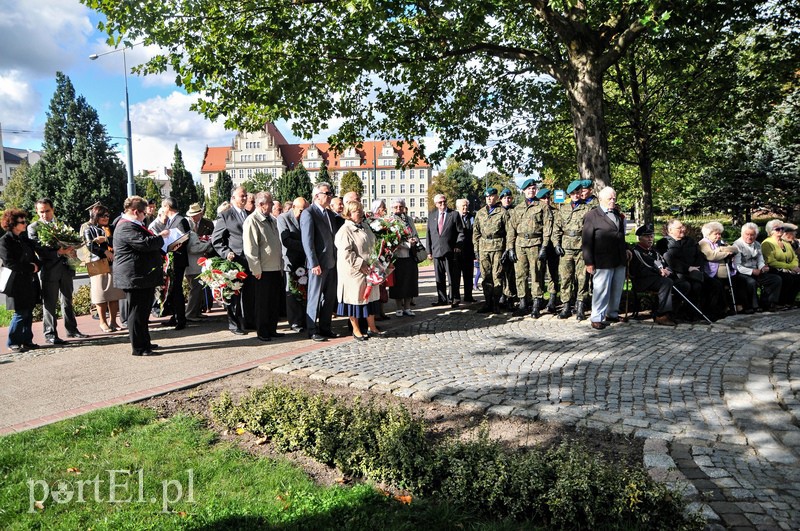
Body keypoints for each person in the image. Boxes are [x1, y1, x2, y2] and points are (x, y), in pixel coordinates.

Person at [113, 196, 170, 356]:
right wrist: (161, 237)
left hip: (140, 276)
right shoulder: (126, 226)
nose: (145, 215)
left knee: (143, 312)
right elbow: (144, 244)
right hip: (134, 277)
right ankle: (139, 348)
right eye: (144, 212)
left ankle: (145, 342)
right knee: (137, 313)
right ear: (135, 211)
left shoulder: (133, 224)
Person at [28, 198, 87, 345]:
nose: (44, 214)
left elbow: (74, 240)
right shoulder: (33, 227)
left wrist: (72, 249)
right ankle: (50, 334)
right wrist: (58, 252)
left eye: (47, 211)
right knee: (49, 303)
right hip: (49, 270)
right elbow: (39, 250)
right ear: (37, 212)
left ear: (53, 209)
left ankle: (72, 330)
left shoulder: (62, 224)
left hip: (66, 268)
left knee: (67, 300)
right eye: (41, 212)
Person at [334, 201, 385, 340]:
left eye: (361, 210)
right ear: (349, 214)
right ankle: (356, 329)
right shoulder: (345, 230)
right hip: (354, 273)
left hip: (369, 270)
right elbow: (346, 253)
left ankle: (372, 327)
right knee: (355, 301)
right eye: (357, 211)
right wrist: (361, 264)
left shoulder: (365, 227)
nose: (361, 213)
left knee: (371, 300)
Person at [582, 187, 629, 330]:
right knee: (601, 289)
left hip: (619, 258)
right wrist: (589, 261)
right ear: (601, 199)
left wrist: (627, 249)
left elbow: (620, 236)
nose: (613, 200)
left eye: (614, 198)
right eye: (610, 198)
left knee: (616, 288)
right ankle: (597, 317)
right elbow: (587, 241)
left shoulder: (618, 214)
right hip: (602, 260)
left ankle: (612, 313)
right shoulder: (592, 216)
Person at [506, 178, 551, 318]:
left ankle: (536, 304)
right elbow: (511, 229)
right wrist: (510, 248)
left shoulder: (542, 207)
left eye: (533, 188)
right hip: (520, 245)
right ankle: (523, 304)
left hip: (535, 243)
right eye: (528, 189)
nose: (531, 191)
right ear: (523, 190)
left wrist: (544, 246)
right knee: (521, 275)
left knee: (536, 274)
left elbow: (547, 228)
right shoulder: (517, 208)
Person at [301, 182, 340, 341]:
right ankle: (312, 329)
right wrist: (313, 263)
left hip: (331, 262)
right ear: (317, 196)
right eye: (327, 193)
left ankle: (325, 327)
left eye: (331, 193)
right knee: (314, 297)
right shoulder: (309, 213)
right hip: (318, 264)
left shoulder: (330, 214)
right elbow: (307, 242)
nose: (330, 195)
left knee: (329, 298)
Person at [212, 186, 253, 335]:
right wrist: (226, 252)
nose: (244, 198)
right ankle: (234, 324)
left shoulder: (249, 214)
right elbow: (216, 240)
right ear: (233, 198)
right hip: (234, 260)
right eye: (241, 196)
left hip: (249, 259)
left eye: (245, 196)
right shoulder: (225, 216)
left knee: (248, 293)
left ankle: (246, 321)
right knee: (234, 294)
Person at [243, 192, 284, 341]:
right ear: (261, 205)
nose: (272, 205)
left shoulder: (271, 220)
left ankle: (272, 328)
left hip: (274, 267)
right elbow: (250, 247)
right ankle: (263, 331)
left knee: (273, 302)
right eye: (270, 203)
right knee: (262, 303)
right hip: (263, 270)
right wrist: (256, 269)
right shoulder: (252, 221)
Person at [0, 209, 42, 352]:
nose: (25, 224)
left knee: (29, 312)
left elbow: (34, 256)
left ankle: (27, 340)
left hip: (30, 281)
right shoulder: (5, 241)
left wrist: (37, 265)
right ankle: (13, 342)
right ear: (12, 224)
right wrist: (30, 267)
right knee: (20, 313)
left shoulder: (24, 239)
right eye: (22, 222)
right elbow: (9, 263)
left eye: (25, 221)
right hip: (16, 283)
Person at [149, 197, 192, 330]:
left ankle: (180, 319)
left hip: (178, 260)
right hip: (171, 259)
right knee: (172, 289)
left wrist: (173, 245)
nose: (162, 209)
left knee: (177, 289)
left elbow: (184, 238)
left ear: (168, 207)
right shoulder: (171, 221)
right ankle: (175, 316)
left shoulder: (180, 220)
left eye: (163, 206)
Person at [661, 219, 717, 321]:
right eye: (679, 228)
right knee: (695, 286)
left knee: (715, 284)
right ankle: (691, 314)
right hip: (678, 274)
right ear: (670, 230)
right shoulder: (664, 242)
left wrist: (697, 267)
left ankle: (711, 312)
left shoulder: (690, 241)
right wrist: (688, 268)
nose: (683, 229)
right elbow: (669, 259)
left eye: (683, 227)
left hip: (695, 272)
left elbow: (699, 255)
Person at [552, 180, 593, 320]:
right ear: (569, 194)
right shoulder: (562, 209)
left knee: (582, 278)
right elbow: (556, 229)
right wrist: (556, 244)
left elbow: (591, 230)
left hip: (582, 247)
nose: (576, 195)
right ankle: (566, 306)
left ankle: (580, 306)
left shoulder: (587, 209)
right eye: (573, 193)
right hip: (566, 248)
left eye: (578, 192)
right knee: (565, 278)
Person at [84, 204, 125, 333]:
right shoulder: (89, 229)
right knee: (100, 295)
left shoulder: (111, 228)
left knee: (114, 294)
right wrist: (104, 251)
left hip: (113, 263)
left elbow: (117, 241)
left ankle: (113, 321)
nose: (105, 218)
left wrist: (106, 239)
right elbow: (90, 246)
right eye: (102, 215)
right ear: (96, 216)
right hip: (98, 264)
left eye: (107, 215)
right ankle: (103, 322)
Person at [629, 223, 679, 325]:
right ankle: (661, 315)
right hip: (642, 281)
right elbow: (639, 271)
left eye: (651, 236)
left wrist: (667, 270)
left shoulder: (654, 251)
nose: (650, 239)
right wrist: (659, 272)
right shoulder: (635, 252)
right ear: (640, 238)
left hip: (657, 279)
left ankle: (676, 313)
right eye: (647, 236)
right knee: (666, 282)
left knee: (683, 284)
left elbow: (664, 263)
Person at [473, 187, 509, 313]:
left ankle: (496, 303)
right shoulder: (480, 213)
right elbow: (476, 233)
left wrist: (507, 248)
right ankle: (487, 302)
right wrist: (476, 249)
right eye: (487, 196)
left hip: (497, 247)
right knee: (486, 276)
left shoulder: (502, 212)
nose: (489, 198)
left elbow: (509, 232)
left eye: (491, 196)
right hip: (483, 248)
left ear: (496, 197)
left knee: (497, 275)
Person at [733, 222, 782, 312]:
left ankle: (767, 303)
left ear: (756, 235)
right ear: (742, 234)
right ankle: (753, 306)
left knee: (775, 279)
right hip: (742, 273)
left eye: (752, 235)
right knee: (751, 282)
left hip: (757, 271)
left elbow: (760, 260)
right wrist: (752, 271)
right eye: (747, 234)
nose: (749, 237)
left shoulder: (757, 244)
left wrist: (762, 267)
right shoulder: (737, 245)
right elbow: (737, 266)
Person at [699, 221, 743, 318]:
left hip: (725, 271)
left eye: (719, 234)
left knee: (740, 279)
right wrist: (726, 253)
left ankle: (737, 305)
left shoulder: (720, 242)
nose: (719, 236)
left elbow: (735, 249)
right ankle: (722, 308)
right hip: (710, 272)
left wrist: (720, 249)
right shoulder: (703, 243)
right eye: (716, 234)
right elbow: (711, 256)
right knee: (718, 284)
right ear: (708, 234)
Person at [426, 193, 464, 307]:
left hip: (450, 251)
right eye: (440, 202)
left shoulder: (454, 214)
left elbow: (460, 233)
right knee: (439, 277)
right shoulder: (432, 216)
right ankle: (441, 299)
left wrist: (458, 245)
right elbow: (429, 234)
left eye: (444, 201)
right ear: (436, 204)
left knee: (452, 277)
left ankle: (454, 298)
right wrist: (429, 251)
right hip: (437, 251)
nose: (443, 204)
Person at [278, 197, 309, 332]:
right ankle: (294, 321)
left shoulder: (306, 218)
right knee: (291, 291)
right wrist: (306, 246)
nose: (303, 213)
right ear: (294, 207)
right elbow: (286, 240)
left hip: (305, 261)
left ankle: (304, 319)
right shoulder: (283, 218)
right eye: (301, 210)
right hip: (290, 261)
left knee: (304, 292)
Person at [389, 198, 420, 316]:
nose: (398, 209)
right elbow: (391, 240)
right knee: (398, 283)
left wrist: (414, 240)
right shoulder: (390, 221)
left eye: (401, 207)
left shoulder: (409, 219)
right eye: (396, 207)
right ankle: (398, 307)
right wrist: (406, 244)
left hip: (411, 255)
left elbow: (415, 233)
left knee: (410, 282)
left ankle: (407, 306)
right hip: (398, 256)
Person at [184, 203, 214, 320]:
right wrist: (207, 245)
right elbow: (193, 248)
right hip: (193, 265)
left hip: (196, 265)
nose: (193, 218)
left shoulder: (194, 231)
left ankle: (196, 312)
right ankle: (191, 313)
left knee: (199, 290)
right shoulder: (191, 234)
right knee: (195, 290)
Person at [762, 219, 800, 308]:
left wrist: (794, 266)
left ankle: (789, 301)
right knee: (787, 278)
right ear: (770, 231)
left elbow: (794, 257)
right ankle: (780, 302)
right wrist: (790, 267)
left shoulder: (785, 243)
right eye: (777, 229)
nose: (781, 231)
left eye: (782, 228)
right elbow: (771, 261)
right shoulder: (767, 243)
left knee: (798, 278)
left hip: (787, 269)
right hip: (773, 269)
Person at [536, 188, 561, 313]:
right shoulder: (536, 211)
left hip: (552, 247)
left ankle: (552, 299)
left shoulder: (556, 212)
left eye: (548, 198)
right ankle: (539, 299)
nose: (546, 201)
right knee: (539, 273)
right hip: (539, 246)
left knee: (553, 273)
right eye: (543, 198)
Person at [498, 187, 517, 308]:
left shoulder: (515, 211)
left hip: (513, 246)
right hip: (499, 246)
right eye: (504, 198)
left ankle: (510, 297)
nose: (507, 200)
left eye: (509, 197)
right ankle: (501, 296)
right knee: (500, 272)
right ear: (500, 200)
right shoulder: (497, 212)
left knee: (511, 273)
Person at [455, 198, 476, 303]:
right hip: (457, 252)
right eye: (463, 206)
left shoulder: (472, 217)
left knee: (468, 275)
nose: (465, 207)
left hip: (468, 251)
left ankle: (468, 296)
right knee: (456, 275)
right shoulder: (454, 217)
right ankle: (456, 297)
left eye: (466, 205)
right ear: (458, 207)